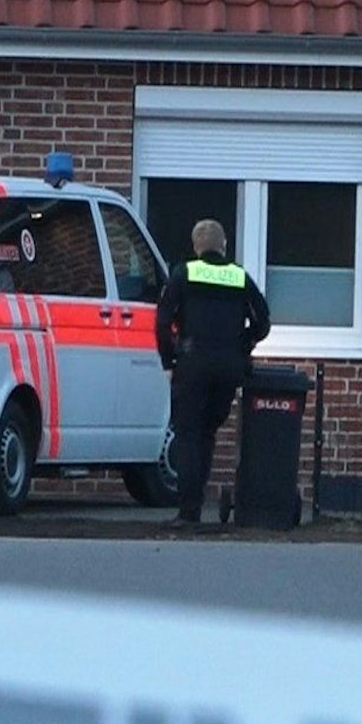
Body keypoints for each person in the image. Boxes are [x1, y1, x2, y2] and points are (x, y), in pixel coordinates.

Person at [154, 219, 271, 528]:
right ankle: (196, 502)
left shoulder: (184, 273)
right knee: (207, 432)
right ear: (224, 246)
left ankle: (189, 511)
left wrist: (169, 361)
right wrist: (242, 344)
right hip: (229, 368)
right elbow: (263, 321)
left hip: (193, 365)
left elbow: (163, 322)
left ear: (196, 247)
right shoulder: (239, 276)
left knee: (188, 434)